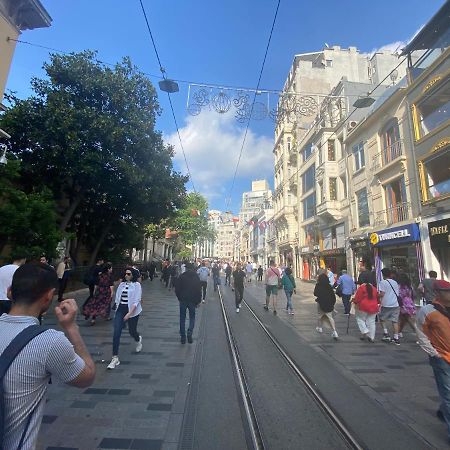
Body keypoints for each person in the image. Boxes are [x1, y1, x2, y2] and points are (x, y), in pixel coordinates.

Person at [0, 263, 95, 449]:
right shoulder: (49, 341)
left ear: (10, 292)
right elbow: (87, 377)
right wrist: (71, 328)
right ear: (49, 296)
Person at [416, 280, 450, 444]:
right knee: (448, 394)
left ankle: (444, 411)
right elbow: (421, 334)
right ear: (438, 293)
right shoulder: (427, 311)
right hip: (442, 358)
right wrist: (434, 354)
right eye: (446, 291)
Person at [107, 268, 143, 369]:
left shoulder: (137, 285)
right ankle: (115, 358)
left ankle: (138, 338)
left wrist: (129, 314)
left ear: (133, 275)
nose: (126, 275)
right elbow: (118, 299)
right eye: (125, 274)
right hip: (120, 309)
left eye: (128, 274)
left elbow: (136, 301)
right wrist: (117, 312)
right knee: (116, 332)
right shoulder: (122, 284)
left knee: (132, 331)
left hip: (133, 311)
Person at [175, 263, 201, 344]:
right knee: (192, 318)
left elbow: (177, 289)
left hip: (183, 300)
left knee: (182, 318)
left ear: (186, 268)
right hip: (192, 300)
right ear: (193, 269)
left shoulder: (182, 276)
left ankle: (183, 337)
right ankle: (189, 333)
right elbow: (198, 290)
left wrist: (179, 297)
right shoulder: (196, 277)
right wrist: (198, 301)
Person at [378, 267, 401, 345]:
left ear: (383, 275)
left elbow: (382, 294)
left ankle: (386, 333)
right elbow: (397, 293)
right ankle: (396, 337)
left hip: (386, 304)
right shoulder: (395, 282)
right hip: (395, 304)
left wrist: (376, 296)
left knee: (382, 319)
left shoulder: (382, 283)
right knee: (395, 321)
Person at [314, 273, 338, 340]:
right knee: (330, 317)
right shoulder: (329, 286)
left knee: (319, 315)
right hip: (329, 304)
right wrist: (332, 303)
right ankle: (334, 331)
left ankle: (319, 327)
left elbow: (315, 293)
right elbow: (333, 296)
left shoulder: (318, 285)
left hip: (321, 303)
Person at [397, 273, 417, 338]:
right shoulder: (410, 286)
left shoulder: (399, 286)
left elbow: (399, 295)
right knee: (404, 319)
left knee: (408, 319)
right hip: (410, 303)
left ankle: (418, 333)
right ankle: (399, 332)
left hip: (403, 304)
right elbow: (413, 295)